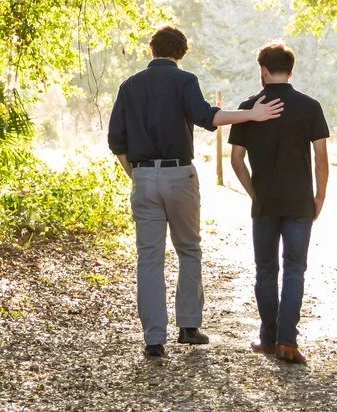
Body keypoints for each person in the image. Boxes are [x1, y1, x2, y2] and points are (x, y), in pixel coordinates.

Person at [108, 25, 283, 359]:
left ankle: (154, 340)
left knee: (149, 258)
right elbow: (208, 117)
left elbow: (117, 141)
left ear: (152, 50)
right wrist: (252, 115)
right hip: (179, 174)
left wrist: (137, 175)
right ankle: (189, 327)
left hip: (143, 176)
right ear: (181, 53)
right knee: (189, 249)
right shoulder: (184, 81)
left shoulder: (128, 86)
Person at [227, 42, 330, 365]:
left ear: (263, 71)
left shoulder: (249, 107)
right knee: (295, 270)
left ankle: (268, 338)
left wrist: (253, 192)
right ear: (291, 71)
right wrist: (320, 195)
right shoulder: (310, 106)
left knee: (265, 270)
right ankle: (288, 341)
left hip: (265, 203)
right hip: (300, 202)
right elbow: (321, 157)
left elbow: (236, 160)